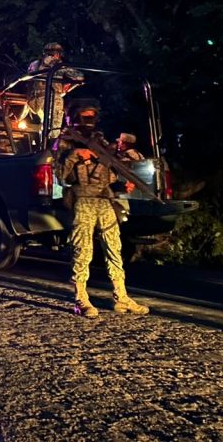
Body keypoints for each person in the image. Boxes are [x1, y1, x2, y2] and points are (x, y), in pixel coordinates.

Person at [54, 100, 149, 318]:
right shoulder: (65, 142)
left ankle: (121, 296)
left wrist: (121, 185)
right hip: (82, 200)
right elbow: (60, 175)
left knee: (114, 248)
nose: (89, 121)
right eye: (85, 116)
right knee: (82, 249)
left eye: (92, 116)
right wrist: (75, 156)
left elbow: (109, 169)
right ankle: (81, 297)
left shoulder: (100, 141)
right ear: (75, 117)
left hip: (105, 199)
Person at [24, 42, 67, 132]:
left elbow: (29, 81)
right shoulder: (59, 66)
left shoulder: (36, 64)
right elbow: (78, 77)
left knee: (47, 125)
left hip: (40, 99)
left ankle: (44, 135)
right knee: (53, 129)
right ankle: (47, 137)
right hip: (50, 99)